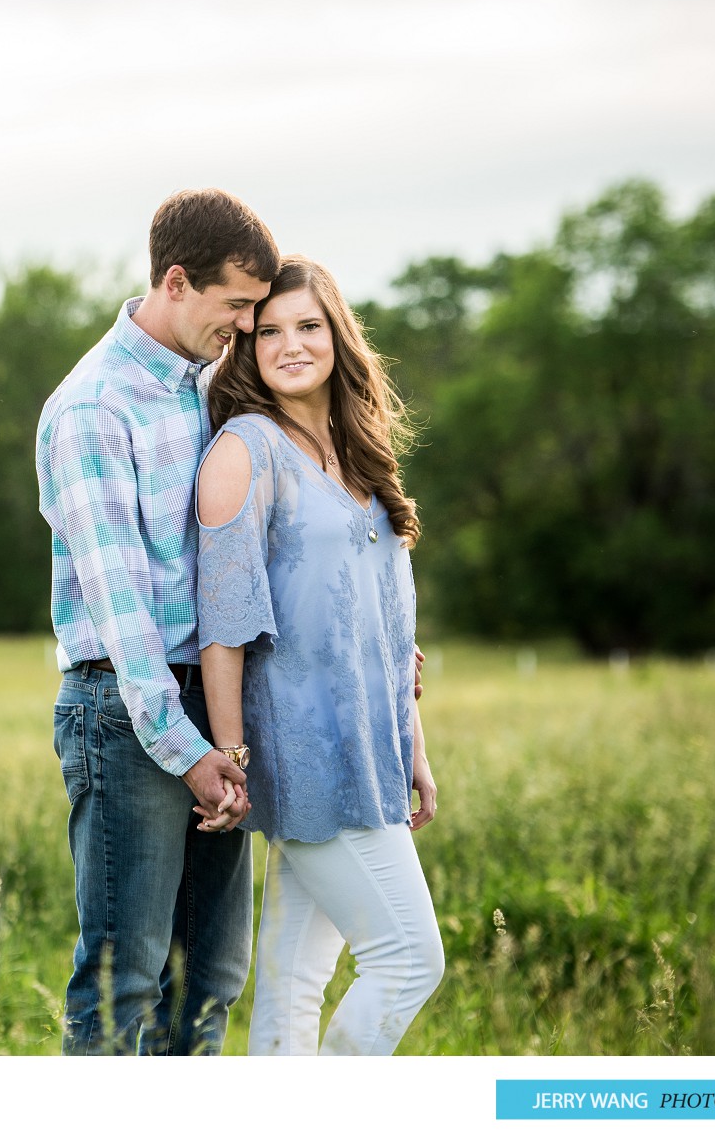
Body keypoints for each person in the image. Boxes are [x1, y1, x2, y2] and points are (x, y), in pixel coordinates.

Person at [35, 187, 278, 1054]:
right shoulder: (93, 408)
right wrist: (188, 751)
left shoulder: (208, 386)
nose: (247, 326)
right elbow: (124, 612)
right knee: (125, 977)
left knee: (209, 978)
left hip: (214, 706)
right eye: (237, 305)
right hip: (125, 711)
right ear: (176, 282)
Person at [192, 253, 444, 1055]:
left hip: (372, 749)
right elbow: (222, 629)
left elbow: (387, 628)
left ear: (339, 334)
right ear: (248, 348)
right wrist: (230, 753)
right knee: (409, 959)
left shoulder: (362, 455)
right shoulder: (247, 450)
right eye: (269, 330)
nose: (290, 344)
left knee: (295, 983)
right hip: (307, 754)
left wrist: (416, 745)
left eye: (308, 325)